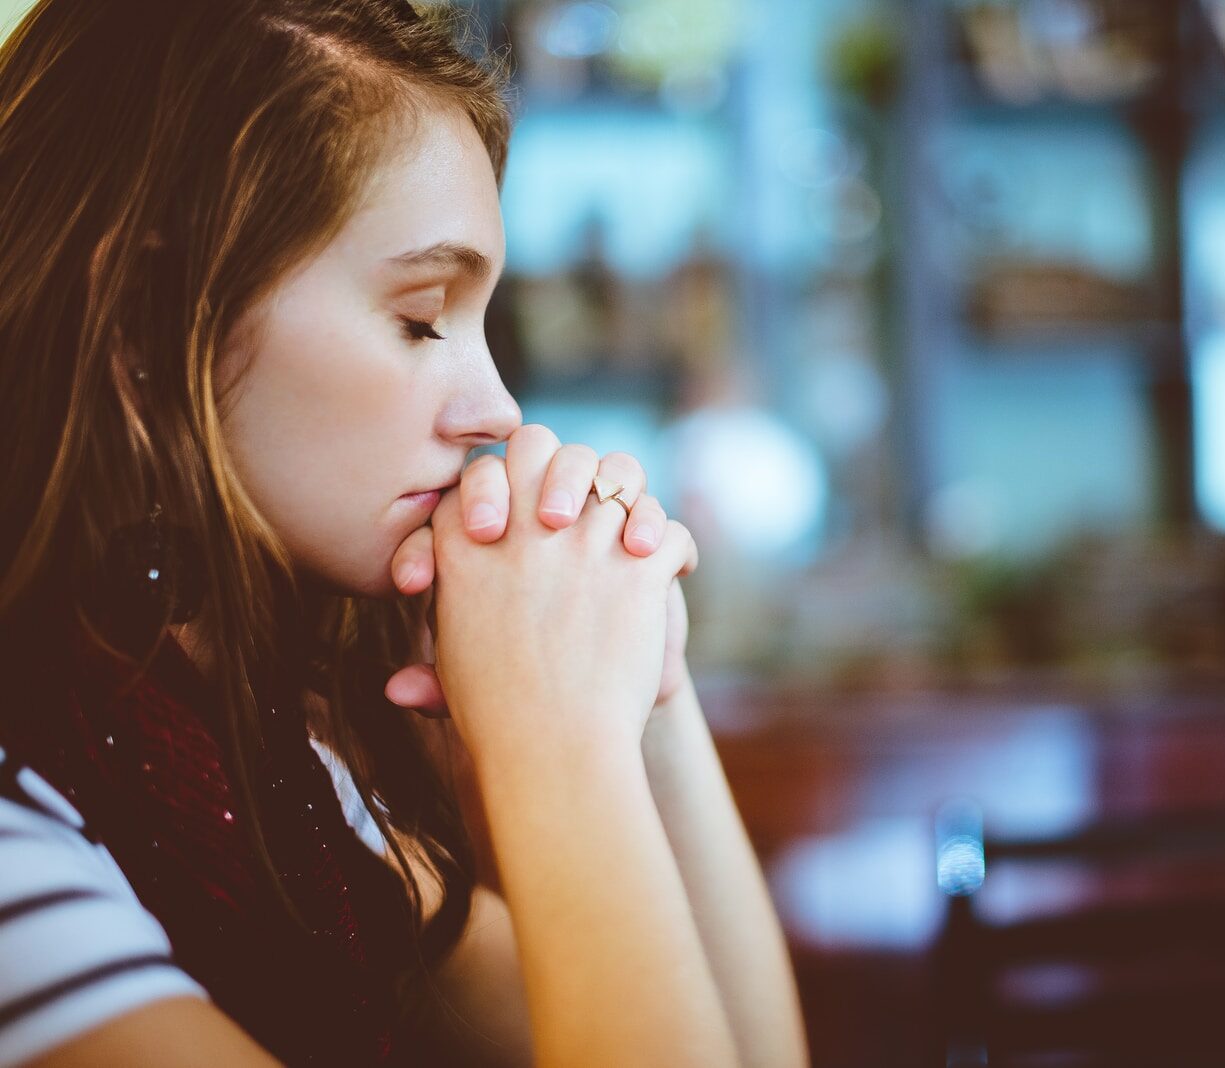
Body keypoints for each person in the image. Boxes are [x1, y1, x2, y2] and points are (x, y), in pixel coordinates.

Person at [0, 1, 809, 1065]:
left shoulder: (266, 767)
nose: (500, 411)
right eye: (422, 316)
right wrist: (553, 739)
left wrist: (639, 683)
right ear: (153, 317)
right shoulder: (26, 840)